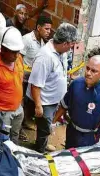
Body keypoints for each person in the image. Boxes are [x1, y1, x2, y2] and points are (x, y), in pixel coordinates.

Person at [26, 23, 78, 153]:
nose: (72, 48)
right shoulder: (45, 57)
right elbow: (36, 84)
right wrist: (38, 105)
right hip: (45, 101)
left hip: (54, 99)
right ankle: (40, 151)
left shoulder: (61, 52)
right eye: (72, 44)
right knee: (45, 128)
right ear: (65, 43)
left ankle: (42, 143)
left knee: (47, 126)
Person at [19, 16, 52, 141]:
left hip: (34, 80)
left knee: (28, 104)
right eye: (46, 29)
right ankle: (19, 128)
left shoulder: (44, 42)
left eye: (50, 29)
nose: (49, 31)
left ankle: (26, 122)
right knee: (20, 104)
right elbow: (19, 58)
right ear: (38, 28)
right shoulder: (27, 39)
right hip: (23, 79)